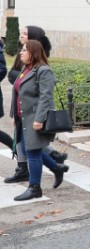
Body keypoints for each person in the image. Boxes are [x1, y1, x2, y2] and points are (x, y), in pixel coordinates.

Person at [4, 25, 67, 184]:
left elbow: (45, 96)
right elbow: (17, 89)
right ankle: (55, 167)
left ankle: (34, 185)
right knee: (28, 148)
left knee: (31, 150)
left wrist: (38, 119)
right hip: (23, 114)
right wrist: (15, 114)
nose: (21, 36)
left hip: (32, 115)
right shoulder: (26, 64)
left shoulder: (41, 69)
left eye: (25, 33)